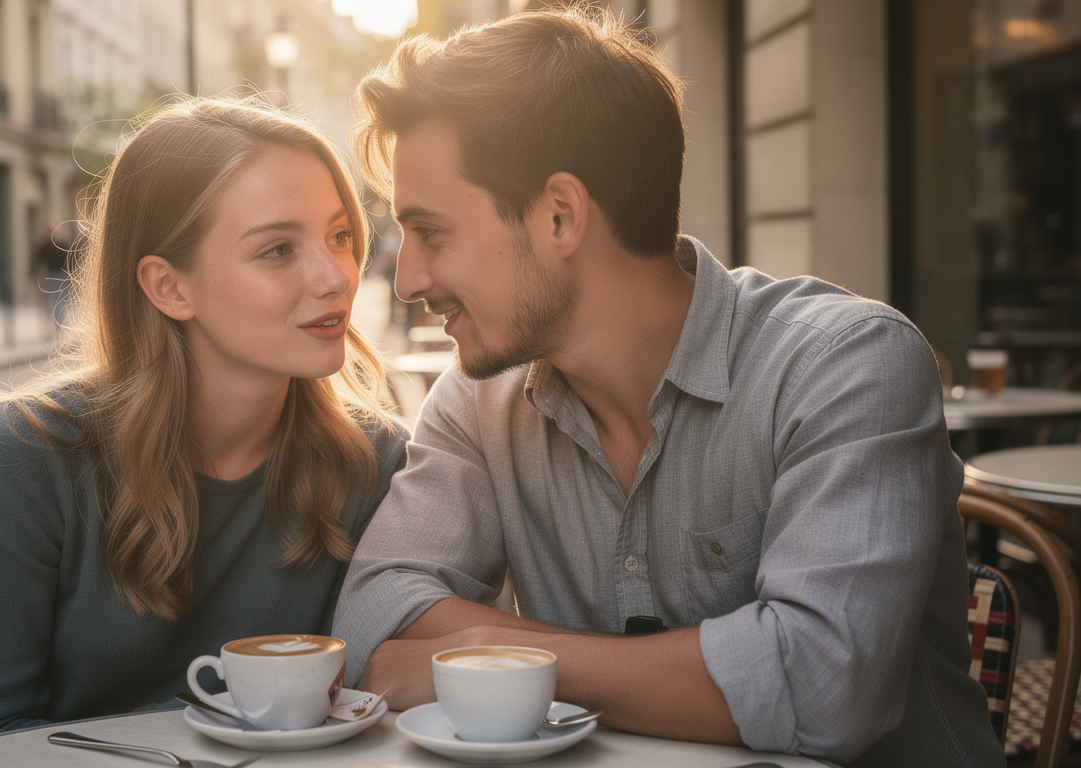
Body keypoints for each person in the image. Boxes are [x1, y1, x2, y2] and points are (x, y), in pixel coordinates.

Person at [331, 8, 1000, 768]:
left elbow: (823, 686)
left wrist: (494, 645)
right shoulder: (479, 399)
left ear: (560, 215)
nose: (406, 277)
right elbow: (375, 615)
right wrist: (718, 667)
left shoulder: (847, 367)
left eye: (431, 232)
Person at [0, 97, 407, 753]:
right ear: (168, 287)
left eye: (339, 236)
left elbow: (379, 708)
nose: (337, 275)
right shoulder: (31, 450)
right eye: (277, 249)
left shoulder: (374, 458)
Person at [31, 219, 77, 339]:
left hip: (51, 277)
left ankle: (56, 326)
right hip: (61, 276)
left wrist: (36, 280)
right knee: (61, 302)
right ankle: (59, 325)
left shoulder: (44, 246)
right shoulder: (62, 244)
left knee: (51, 303)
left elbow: (37, 264)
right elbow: (70, 262)